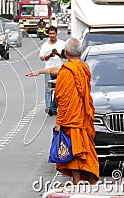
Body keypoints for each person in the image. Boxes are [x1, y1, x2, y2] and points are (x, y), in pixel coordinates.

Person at [26, 38, 99, 184]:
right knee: (86, 149)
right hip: (83, 115)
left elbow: (62, 99)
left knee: (74, 149)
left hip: (71, 118)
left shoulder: (67, 71)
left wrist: (59, 121)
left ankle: (77, 180)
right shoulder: (84, 67)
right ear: (81, 51)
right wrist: (41, 71)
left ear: (65, 53)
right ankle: (92, 181)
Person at [38, 26, 65, 116]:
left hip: (60, 70)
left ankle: (55, 107)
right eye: (50, 34)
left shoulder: (62, 44)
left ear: (56, 34)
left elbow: (65, 56)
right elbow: (42, 58)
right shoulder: (45, 45)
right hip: (49, 70)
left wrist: (57, 53)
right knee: (48, 90)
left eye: (53, 33)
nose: (52, 35)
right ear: (48, 34)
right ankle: (49, 108)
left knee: (59, 90)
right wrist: (49, 55)